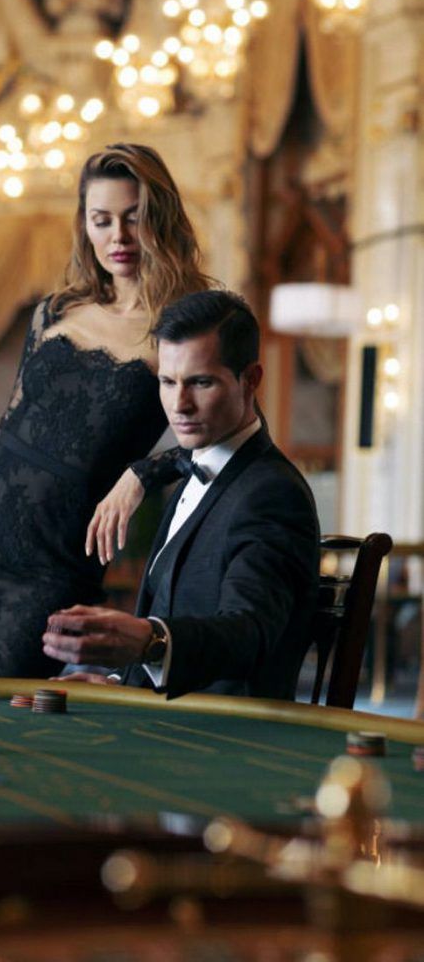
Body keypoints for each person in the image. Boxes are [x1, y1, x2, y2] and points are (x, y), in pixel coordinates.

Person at [0, 143, 209, 675]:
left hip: (51, 558)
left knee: (10, 704)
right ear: (85, 224)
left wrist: (141, 474)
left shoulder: (184, 323)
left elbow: (221, 439)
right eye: (101, 220)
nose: (117, 237)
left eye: (134, 219)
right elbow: (7, 430)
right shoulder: (58, 309)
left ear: (160, 220)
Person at [43, 289, 320, 700]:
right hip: (169, 713)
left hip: (226, 738)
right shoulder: (198, 469)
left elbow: (251, 632)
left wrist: (147, 640)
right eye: (168, 382)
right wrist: (121, 683)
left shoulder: (272, 493)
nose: (179, 404)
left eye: (201, 382)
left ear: (251, 380)